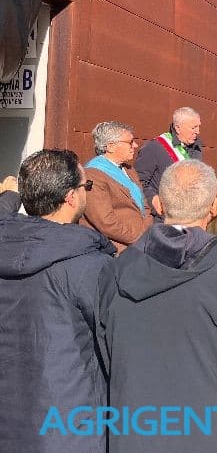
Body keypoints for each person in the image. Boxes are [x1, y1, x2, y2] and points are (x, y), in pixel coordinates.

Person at [97, 160, 217, 453]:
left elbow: (105, 351)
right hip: (208, 430)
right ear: (215, 208)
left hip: (136, 429)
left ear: (159, 204)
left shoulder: (115, 270)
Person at [0, 150, 114, 452]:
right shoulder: (89, 266)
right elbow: (118, 347)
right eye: (86, 186)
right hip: (68, 428)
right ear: (71, 197)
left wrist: (9, 198)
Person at [81, 121, 153, 253]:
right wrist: (140, 238)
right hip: (117, 249)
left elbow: (145, 206)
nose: (135, 145)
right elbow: (106, 222)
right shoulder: (93, 174)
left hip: (143, 243)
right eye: (130, 142)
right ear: (111, 146)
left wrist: (148, 232)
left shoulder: (129, 170)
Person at [136, 106, 203, 218]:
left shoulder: (196, 148)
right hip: (165, 217)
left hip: (189, 215)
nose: (198, 131)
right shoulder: (155, 147)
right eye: (193, 127)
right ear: (178, 128)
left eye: (199, 126)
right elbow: (139, 181)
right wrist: (154, 201)